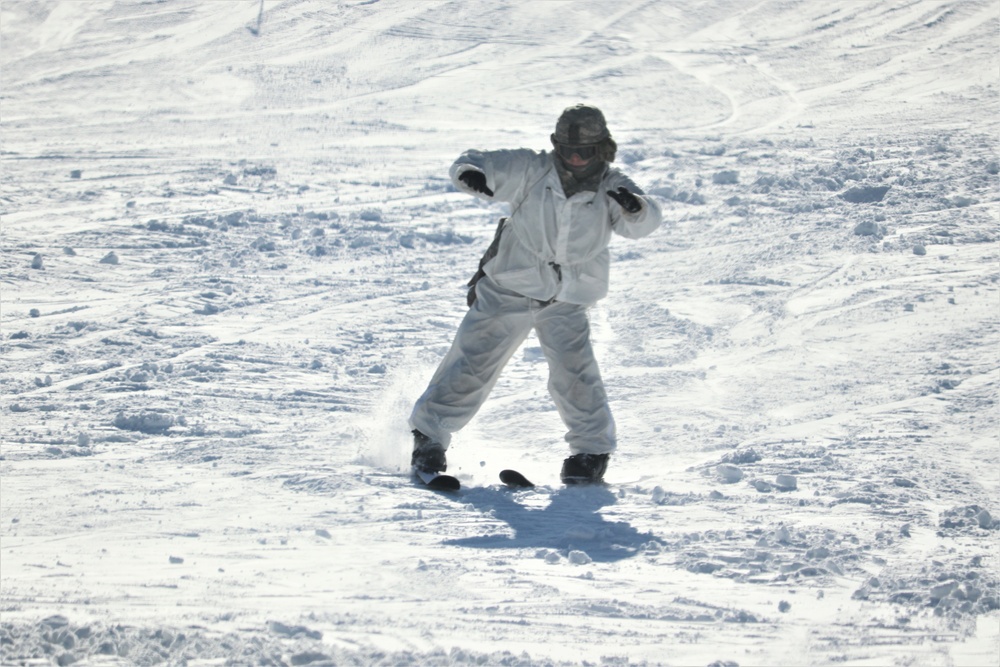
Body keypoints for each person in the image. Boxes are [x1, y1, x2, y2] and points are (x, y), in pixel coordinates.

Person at [409, 104, 663, 485]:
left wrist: (636, 208)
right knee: (473, 361)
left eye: (585, 151)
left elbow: (645, 221)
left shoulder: (613, 185)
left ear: (602, 150)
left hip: (567, 296)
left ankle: (590, 453)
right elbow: (477, 163)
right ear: (555, 145)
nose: (574, 157)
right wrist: (471, 174)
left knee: (575, 371)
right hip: (511, 283)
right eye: (567, 149)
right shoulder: (533, 168)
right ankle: (429, 438)